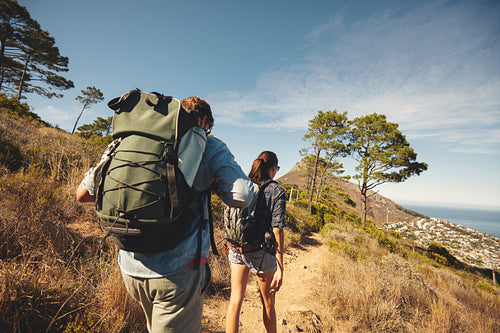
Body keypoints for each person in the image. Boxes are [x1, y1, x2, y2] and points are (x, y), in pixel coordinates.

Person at [76, 96, 254, 333]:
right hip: (177, 272)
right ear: (203, 120)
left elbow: (82, 194)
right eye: (209, 126)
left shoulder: (128, 141)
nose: (208, 131)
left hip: (129, 265)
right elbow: (242, 196)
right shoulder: (208, 145)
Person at [225, 151, 286, 333]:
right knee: (268, 302)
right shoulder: (277, 191)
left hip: (236, 248)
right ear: (273, 168)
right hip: (261, 252)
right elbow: (277, 229)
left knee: (235, 299)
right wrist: (280, 266)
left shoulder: (244, 185)